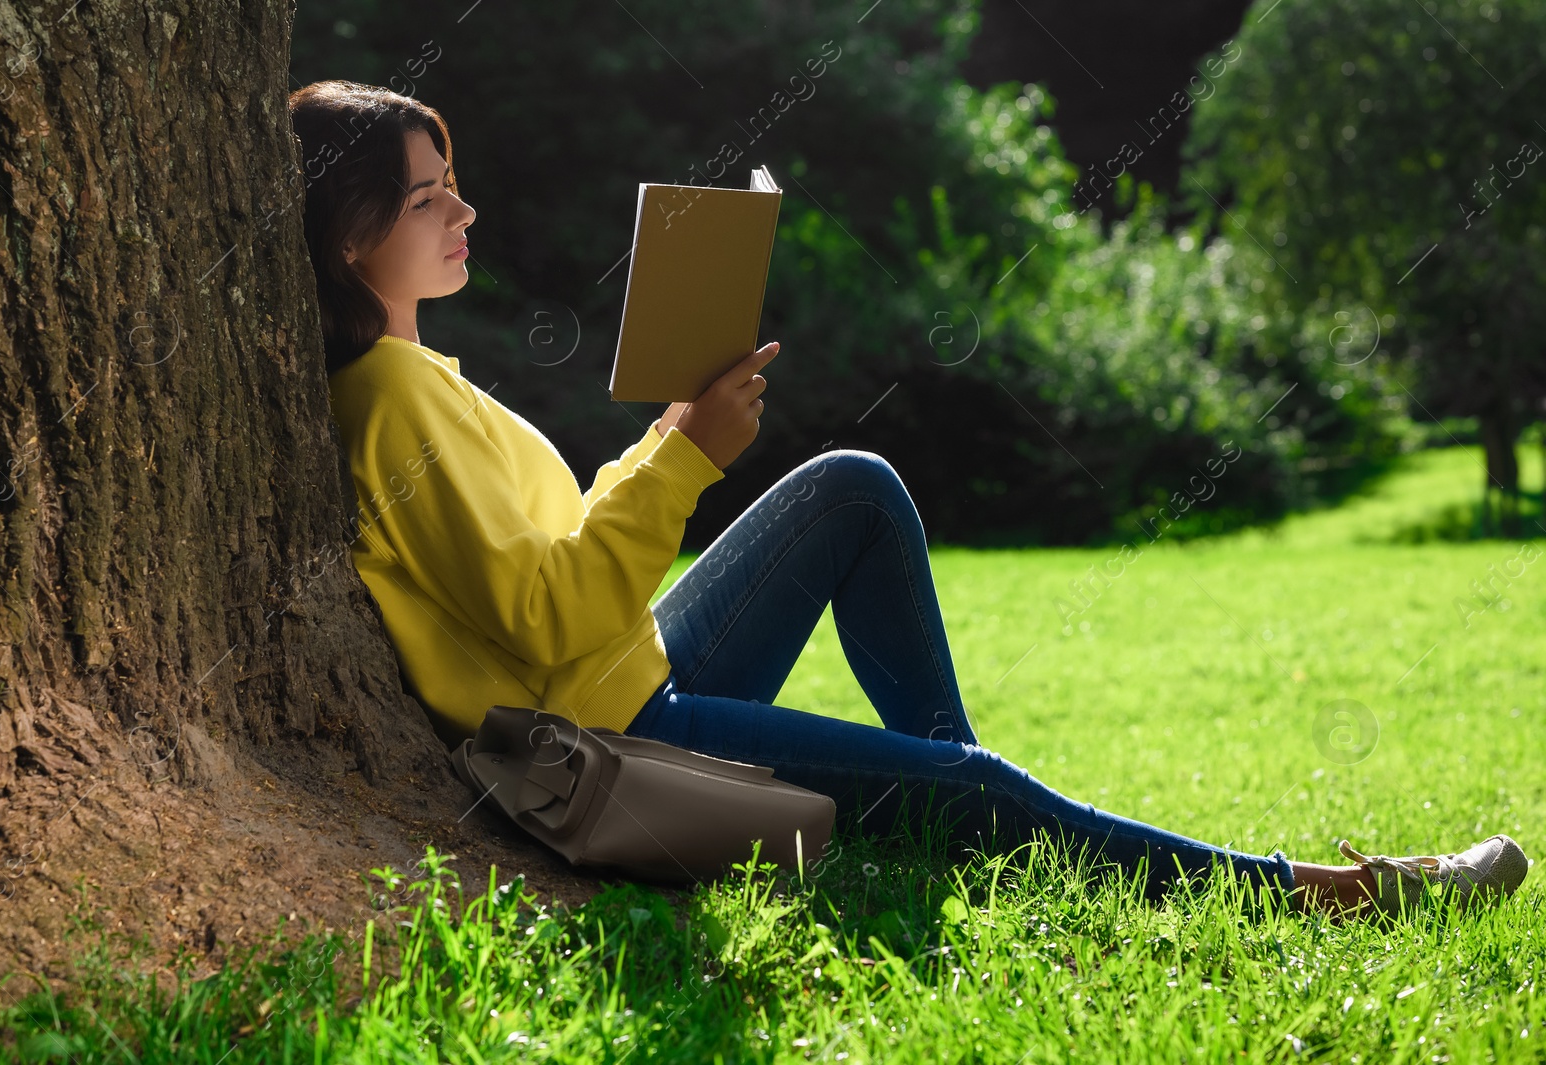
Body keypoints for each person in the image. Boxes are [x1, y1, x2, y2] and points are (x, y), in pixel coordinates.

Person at [289, 80, 1529, 922]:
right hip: (611, 739)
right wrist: (682, 463)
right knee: (976, 787)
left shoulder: (419, 377)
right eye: (424, 200)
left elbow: (555, 562)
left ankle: (950, 792)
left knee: (852, 488)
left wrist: (670, 435)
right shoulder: (391, 400)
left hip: (638, 670)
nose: (465, 210)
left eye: (453, 182)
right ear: (350, 240)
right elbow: (546, 618)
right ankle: (1338, 890)